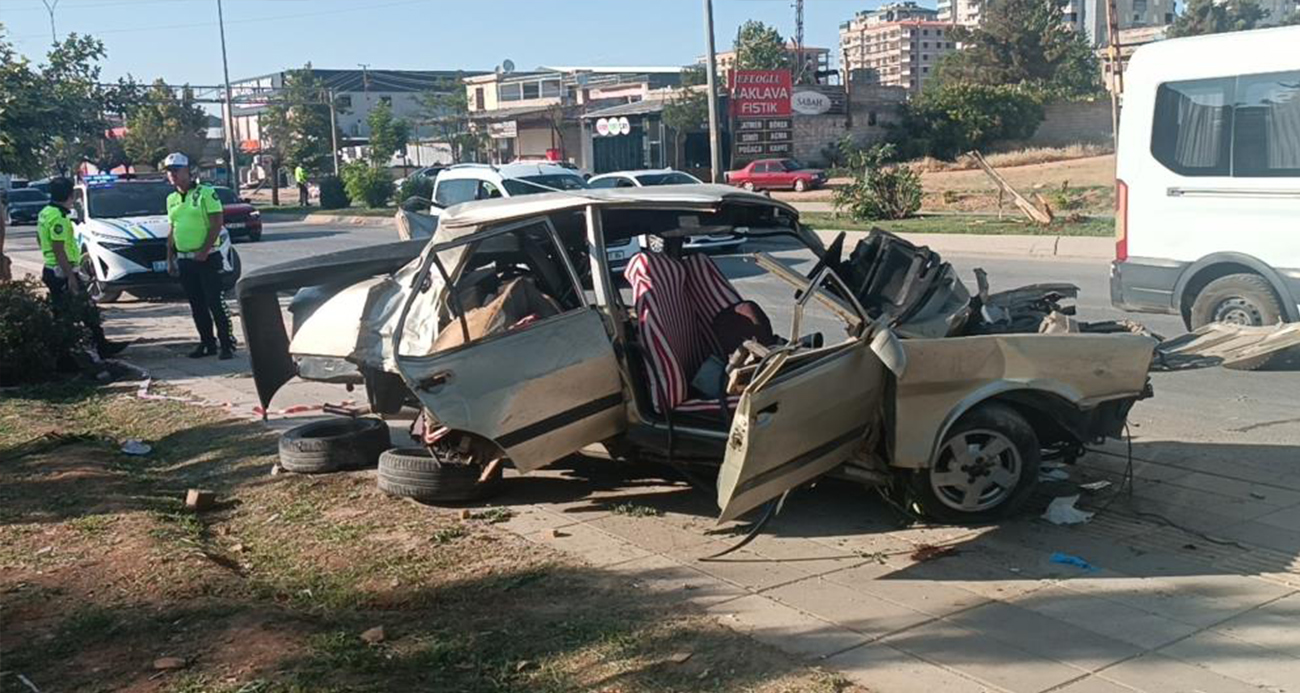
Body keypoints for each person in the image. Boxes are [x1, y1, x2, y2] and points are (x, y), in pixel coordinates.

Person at [37, 177, 126, 358]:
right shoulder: (59, 218)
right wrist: (70, 277)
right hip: (62, 271)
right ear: (69, 195)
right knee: (80, 311)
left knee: (75, 311)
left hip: (53, 269)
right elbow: (58, 248)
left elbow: (40, 239)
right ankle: (88, 349)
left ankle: (96, 346)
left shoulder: (45, 212)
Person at [163, 153, 236, 359]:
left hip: (207, 257)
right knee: (197, 304)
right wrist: (170, 257)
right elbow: (173, 229)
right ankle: (207, 343)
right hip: (185, 259)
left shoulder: (206, 192)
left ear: (188, 171)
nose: (173, 175)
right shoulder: (172, 199)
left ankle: (226, 343)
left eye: (177, 170)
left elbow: (216, 222)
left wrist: (204, 250)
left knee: (215, 301)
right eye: (170, 171)